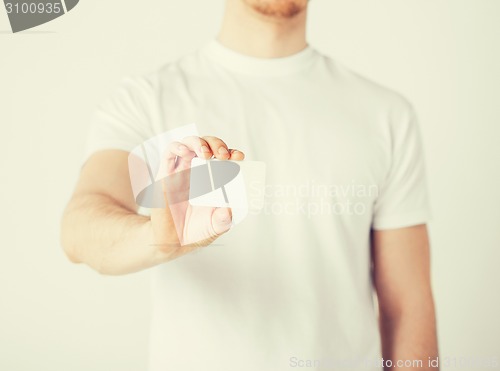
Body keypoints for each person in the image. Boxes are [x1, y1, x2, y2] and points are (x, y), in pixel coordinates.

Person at [61, 0, 439, 370]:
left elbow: (408, 306)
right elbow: (81, 227)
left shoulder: (385, 115)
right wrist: (157, 237)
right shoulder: (146, 101)